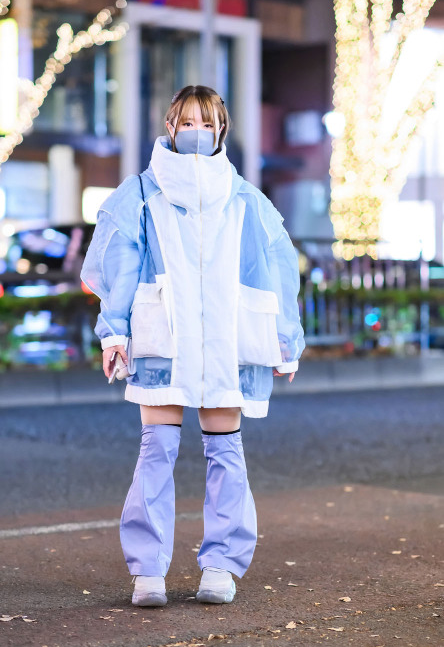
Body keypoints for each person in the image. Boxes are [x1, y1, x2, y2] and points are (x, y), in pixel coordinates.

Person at [80, 84, 305, 607]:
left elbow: (277, 266)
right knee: (156, 448)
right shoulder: (139, 192)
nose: (197, 132)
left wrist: (284, 338)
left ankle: (221, 566)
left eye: (206, 122)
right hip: (165, 337)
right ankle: (147, 571)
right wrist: (114, 330)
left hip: (227, 340)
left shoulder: (245, 197)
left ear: (221, 129)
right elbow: (117, 265)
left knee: (226, 452)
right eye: (187, 122)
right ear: (169, 126)